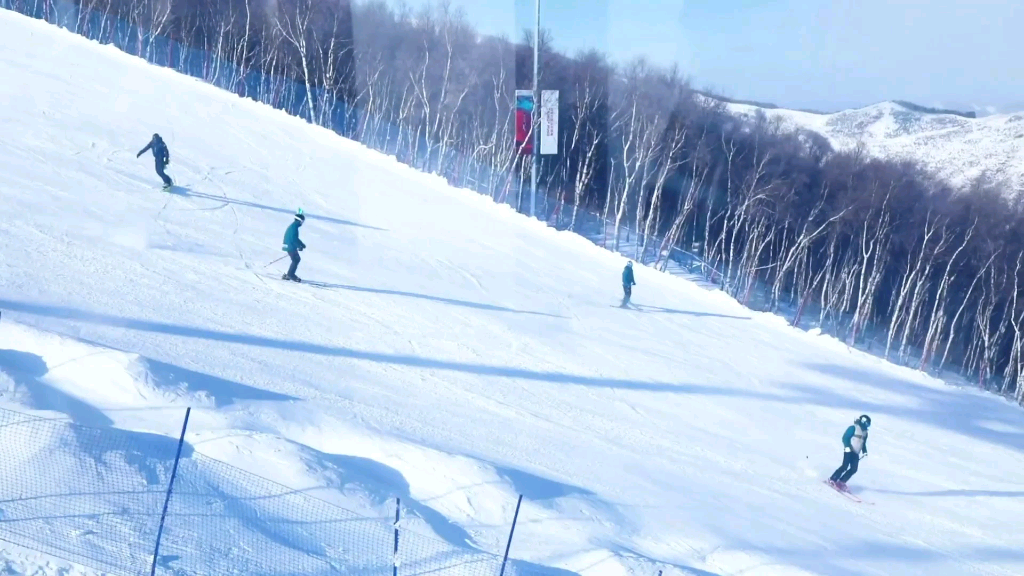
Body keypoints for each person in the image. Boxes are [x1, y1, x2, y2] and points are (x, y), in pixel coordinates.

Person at [828, 414, 871, 491]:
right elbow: (845, 437)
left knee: (854, 469)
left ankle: (841, 481)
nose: (867, 426)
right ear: (863, 421)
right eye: (867, 423)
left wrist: (864, 451)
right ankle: (833, 479)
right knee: (845, 466)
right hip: (849, 450)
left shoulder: (865, 433)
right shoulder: (853, 428)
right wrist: (847, 447)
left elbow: (863, 443)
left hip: (856, 452)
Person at [281, 210, 306, 282]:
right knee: (296, 259)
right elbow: (294, 238)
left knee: (296, 259)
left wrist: (301, 244)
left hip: (289, 245)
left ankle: (289, 274)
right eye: (302, 221)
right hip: (290, 246)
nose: (302, 223)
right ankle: (290, 274)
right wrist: (299, 246)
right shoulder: (294, 227)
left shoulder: (294, 226)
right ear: (299, 221)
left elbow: (295, 238)